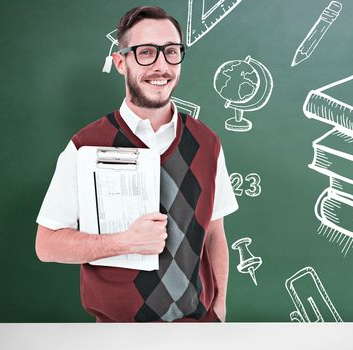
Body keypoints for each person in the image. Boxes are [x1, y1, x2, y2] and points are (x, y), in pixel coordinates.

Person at [35, 6, 238, 322]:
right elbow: (46, 245)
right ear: (120, 62)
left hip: (198, 330)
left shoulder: (207, 143)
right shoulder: (86, 145)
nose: (161, 65)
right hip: (119, 334)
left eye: (171, 52)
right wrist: (124, 243)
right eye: (146, 52)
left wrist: (220, 309)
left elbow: (214, 233)